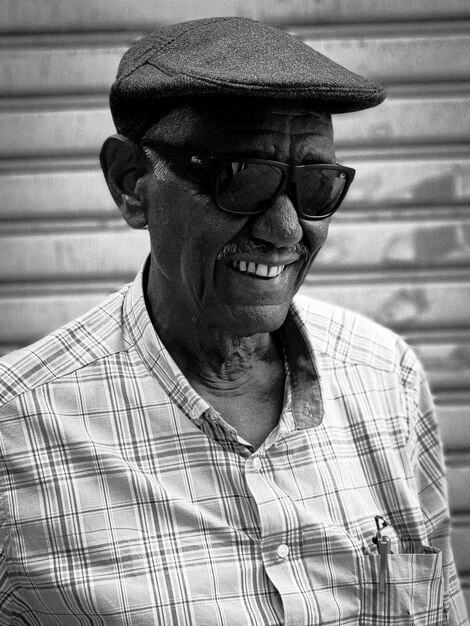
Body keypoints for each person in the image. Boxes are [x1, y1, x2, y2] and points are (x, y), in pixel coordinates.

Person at [0, 16, 467, 626]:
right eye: (240, 178)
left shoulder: (387, 376)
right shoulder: (15, 430)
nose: (286, 230)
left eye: (317, 186)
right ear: (131, 183)